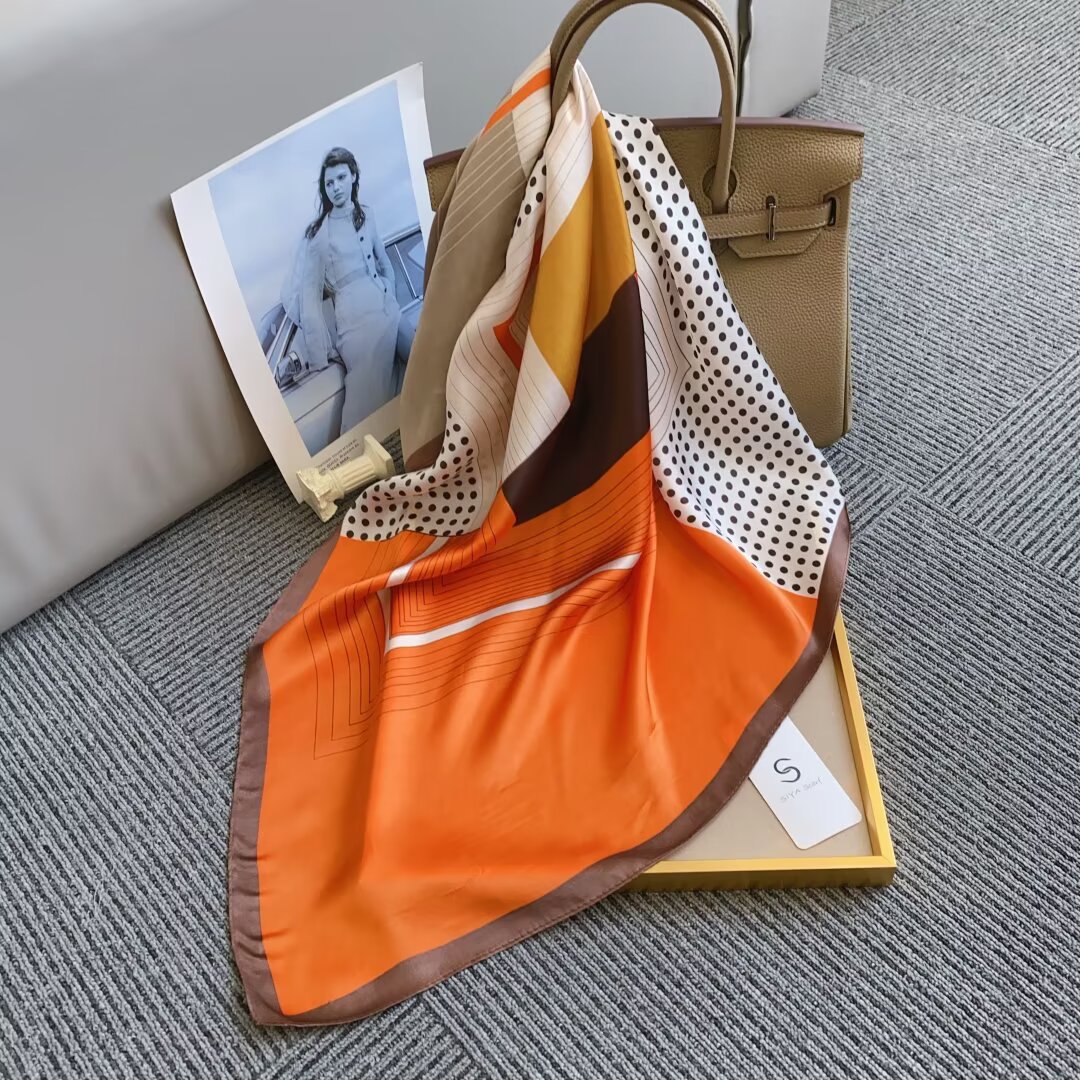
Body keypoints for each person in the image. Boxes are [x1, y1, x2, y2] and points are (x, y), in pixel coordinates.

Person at [282, 147, 402, 438]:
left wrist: (389, 292)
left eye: (340, 178)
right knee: (363, 402)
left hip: (386, 309)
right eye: (329, 182)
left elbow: (384, 261)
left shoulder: (368, 215)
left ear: (353, 176)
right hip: (354, 323)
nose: (335, 187)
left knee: (422, 354)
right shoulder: (317, 235)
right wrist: (320, 354)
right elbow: (307, 298)